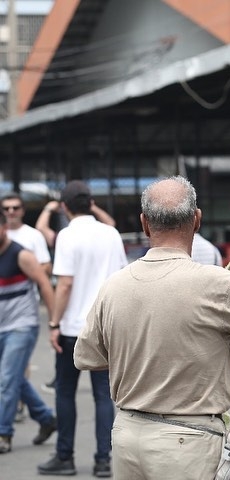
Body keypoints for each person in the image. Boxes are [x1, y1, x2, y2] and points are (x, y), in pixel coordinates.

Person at [73, 176, 230, 480]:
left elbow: (86, 357)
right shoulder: (216, 284)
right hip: (188, 442)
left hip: (128, 435)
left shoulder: (113, 286)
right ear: (197, 220)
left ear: (144, 224)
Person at [37, 180, 128, 477]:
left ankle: (65, 457)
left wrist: (53, 323)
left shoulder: (67, 235)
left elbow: (64, 284)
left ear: (64, 207)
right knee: (103, 395)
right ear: (91, 204)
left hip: (73, 327)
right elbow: (121, 279)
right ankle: (104, 461)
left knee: (65, 391)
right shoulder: (111, 233)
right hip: (105, 328)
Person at [0, 211, 57, 454]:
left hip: (22, 326)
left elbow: (45, 284)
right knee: (13, 379)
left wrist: (55, 323)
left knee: (6, 380)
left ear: (4, 228)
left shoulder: (21, 254)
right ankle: (46, 419)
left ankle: (3, 433)